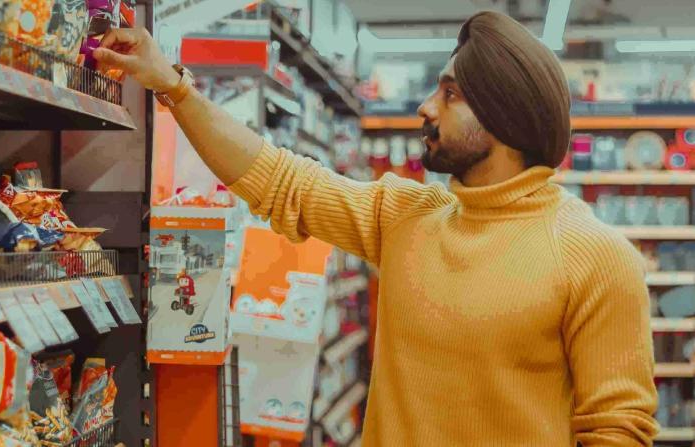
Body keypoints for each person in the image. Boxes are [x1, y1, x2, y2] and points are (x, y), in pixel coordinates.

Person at [94, 10, 658, 446]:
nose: (425, 108)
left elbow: (617, 429)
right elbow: (277, 179)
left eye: (450, 94)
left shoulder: (595, 256)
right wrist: (173, 86)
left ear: (503, 116)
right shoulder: (405, 216)